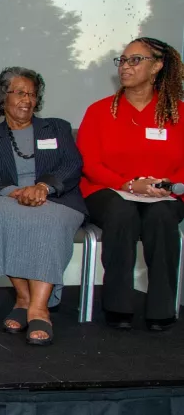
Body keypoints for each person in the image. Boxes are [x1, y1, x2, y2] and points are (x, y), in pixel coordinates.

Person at [76, 37, 184, 331]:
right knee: (122, 213)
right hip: (108, 191)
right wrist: (128, 185)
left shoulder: (178, 113)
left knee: (161, 216)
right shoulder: (99, 111)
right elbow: (89, 163)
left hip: (163, 196)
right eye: (122, 60)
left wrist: (167, 186)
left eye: (135, 60)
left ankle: (162, 308)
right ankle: (117, 306)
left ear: (157, 66)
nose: (125, 66)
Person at [0, 67, 85, 345]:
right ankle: (23, 298)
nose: (27, 100)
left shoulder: (57, 127)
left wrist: (43, 187)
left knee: (47, 218)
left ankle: (38, 307)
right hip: (7, 198)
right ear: (3, 97)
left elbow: (72, 165)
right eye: (20, 93)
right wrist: (15, 192)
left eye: (32, 94)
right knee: (1, 213)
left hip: (57, 198)